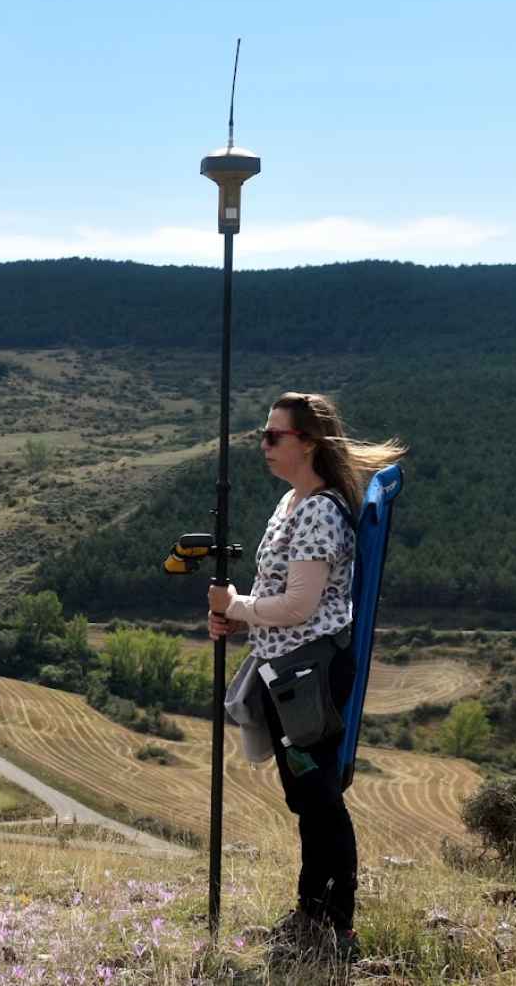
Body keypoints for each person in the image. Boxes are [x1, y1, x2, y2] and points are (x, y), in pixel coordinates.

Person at [207, 391, 405, 958]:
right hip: (288, 671)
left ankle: (335, 927)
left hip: (308, 675)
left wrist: (236, 605)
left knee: (318, 799)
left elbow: (299, 606)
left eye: (275, 436)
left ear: (309, 443)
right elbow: (282, 597)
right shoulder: (291, 502)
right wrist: (240, 617)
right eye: (263, 435)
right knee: (307, 798)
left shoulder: (318, 510)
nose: (264, 445)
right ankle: (310, 916)